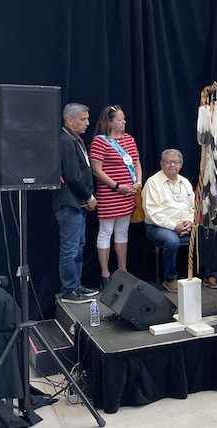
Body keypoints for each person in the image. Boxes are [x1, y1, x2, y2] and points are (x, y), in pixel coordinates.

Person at [89, 104, 142, 289]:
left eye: (124, 119)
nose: (124, 122)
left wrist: (138, 183)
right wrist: (116, 186)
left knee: (122, 232)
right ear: (109, 122)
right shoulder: (100, 141)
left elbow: (136, 163)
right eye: (119, 120)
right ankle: (105, 273)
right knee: (106, 232)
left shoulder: (129, 139)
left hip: (128, 194)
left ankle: (123, 270)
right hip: (110, 195)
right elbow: (96, 169)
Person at [54, 103, 99, 303]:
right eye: (83, 119)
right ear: (69, 120)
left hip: (77, 202)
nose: (87, 123)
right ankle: (69, 289)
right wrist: (88, 197)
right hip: (69, 203)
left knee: (79, 246)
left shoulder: (76, 140)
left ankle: (76, 285)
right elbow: (72, 175)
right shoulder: (65, 140)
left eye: (87, 119)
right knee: (70, 248)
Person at [142, 149, 196, 293]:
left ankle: (209, 274)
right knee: (172, 241)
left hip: (186, 225)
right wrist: (174, 226)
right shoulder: (152, 183)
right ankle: (170, 278)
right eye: (168, 161)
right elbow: (152, 212)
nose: (172, 165)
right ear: (161, 163)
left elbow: (193, 207)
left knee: (206, 234)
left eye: (176, 162)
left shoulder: (185, 182)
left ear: (181, 164)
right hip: (158, 228)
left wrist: (190, 221)